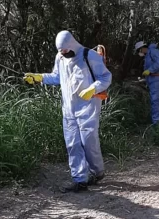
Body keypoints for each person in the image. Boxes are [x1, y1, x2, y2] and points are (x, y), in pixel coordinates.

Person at [23, 30, 112, 193]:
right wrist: (39, 78)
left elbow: (106, 77)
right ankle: (80, 180)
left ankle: (97, 172)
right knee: (72, 144)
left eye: (65, 50)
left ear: (71, 44)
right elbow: (57, 77)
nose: (63, 53)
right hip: (69, 108)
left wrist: (92, 89)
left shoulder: (90, 56)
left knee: (88, 142)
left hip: (88, 107)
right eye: (60, 51)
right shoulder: (60, 58)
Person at [134, 41, 159, 125]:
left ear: (142, 48)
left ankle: (157, 124)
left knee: (155, 101)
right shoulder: (147, 56)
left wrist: (149, 70)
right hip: (153, 80)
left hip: (157, 80)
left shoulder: (153, 51)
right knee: (155, 102)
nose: (139, 53)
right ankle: (157, 122)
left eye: (138, 51)